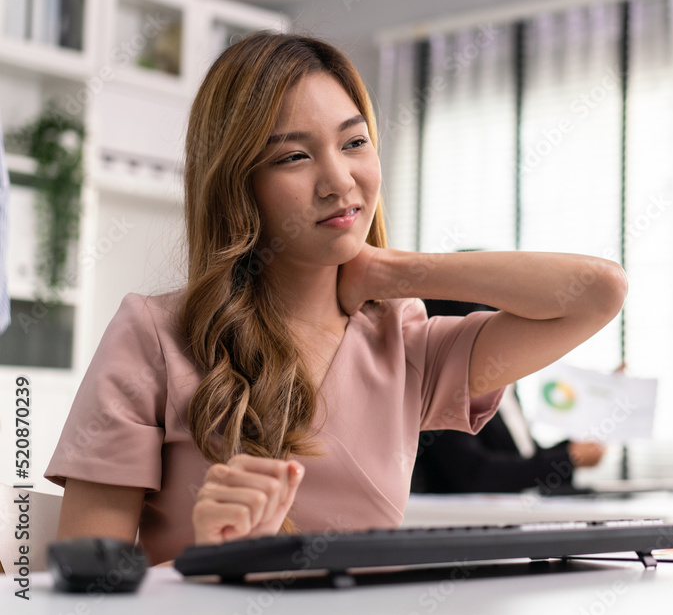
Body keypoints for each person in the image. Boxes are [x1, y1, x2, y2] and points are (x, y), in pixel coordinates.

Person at [44, 31, 627, 565]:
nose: (339, 181)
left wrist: (390, 269)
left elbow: (597, 293)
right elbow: (84, 583)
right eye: (294, 156)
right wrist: (202, 561)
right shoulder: (153, 334)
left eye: (354, 142)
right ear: (236, 182)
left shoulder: (405, 343)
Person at [412, 299, 606, 494]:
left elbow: (522, 455)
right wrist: (566, 458)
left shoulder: (507, 388)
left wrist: (572, 451)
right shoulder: (446, 389)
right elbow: (476, 474)